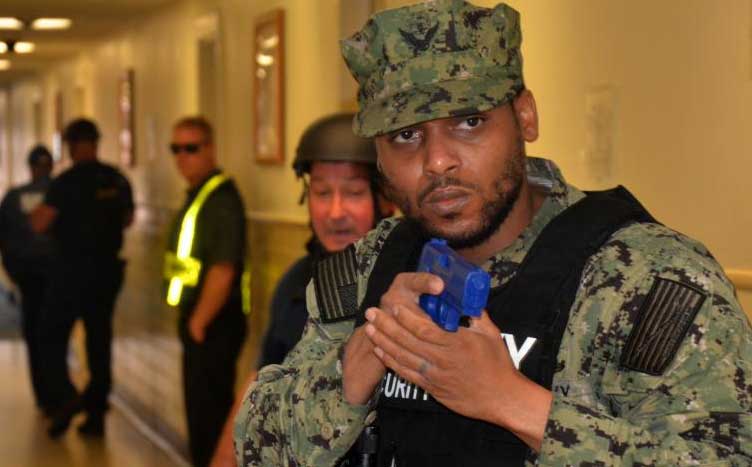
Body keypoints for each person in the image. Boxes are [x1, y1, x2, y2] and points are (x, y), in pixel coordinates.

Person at [236, 1, 752, 466]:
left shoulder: (647, 280)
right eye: (406, 135)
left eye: (469, 122)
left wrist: (513, 402)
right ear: (379, 156)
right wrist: (357, 366)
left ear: (524, 117)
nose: (438, 161)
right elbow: (259, 449)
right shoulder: (369, 268)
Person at [209, 113, 394, 467]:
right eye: (322, 192)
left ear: (384, 197)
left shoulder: (404, 282)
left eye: (354, 192)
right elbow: (259, 384)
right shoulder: (297, 283)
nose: (335, 212)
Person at [30, 119, 133, 438]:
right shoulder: (117, 179)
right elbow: (128, 219)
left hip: (71, 273)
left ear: (72, 146)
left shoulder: (65, 182)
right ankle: (96, 414)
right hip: (107, 272)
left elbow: (40, 223)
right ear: (96, 143)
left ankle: (67, 397)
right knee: (99, 340)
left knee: (49, 335)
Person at [164, 116, 248, 467]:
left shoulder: (220, 199)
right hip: (201, 322)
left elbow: (223, 268)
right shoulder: (199, 195)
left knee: (209, 419)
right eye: (176, 149)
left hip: (214, 324)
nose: (182, 157)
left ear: (210, 149)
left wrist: (198, 324)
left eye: (191, 148)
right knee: (200, 417)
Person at [0, 145, 55, 414]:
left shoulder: (14, 198)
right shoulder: (62, 194)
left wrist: (12, 270)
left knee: (34, 333)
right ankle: (55, 392)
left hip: (29, 276)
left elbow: (3, 238)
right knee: (54, 334)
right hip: (57, 277)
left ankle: (44, 395)